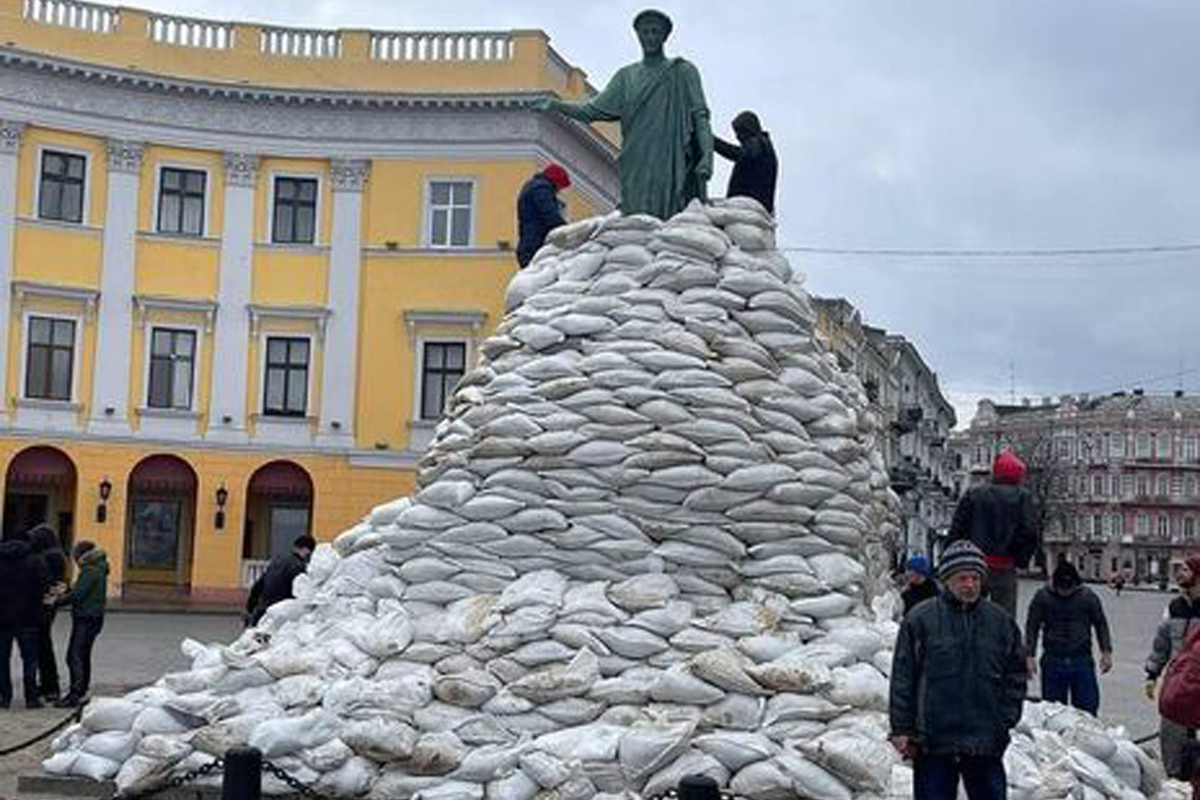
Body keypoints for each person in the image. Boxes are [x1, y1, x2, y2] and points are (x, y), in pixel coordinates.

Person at [538, 9, 712, 219]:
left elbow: (700, 116)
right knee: (637, 217)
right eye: (645, 32)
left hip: (670, 156)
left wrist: (707, 156)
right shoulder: (626, 77)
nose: (650, 37)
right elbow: (590, 111)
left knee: (670, 215)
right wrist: (556, 105)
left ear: (665, 36)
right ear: (638, 36)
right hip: (636, 157)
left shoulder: (682, 71)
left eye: (655, 32)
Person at [890, 540, 1027, 800]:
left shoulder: (999, 622)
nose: (970, 585)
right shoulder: (921, 619)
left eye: (975, 578)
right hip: (934, 739)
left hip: (985, 738)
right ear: (947, 580)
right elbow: (903, 677)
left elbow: (1016, 675)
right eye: (962, 578)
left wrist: (1006, 718)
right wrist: (901, 728)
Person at [948, 451, 1038, 617]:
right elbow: (1030, 532)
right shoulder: (1022, 497)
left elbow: (957, 529)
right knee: (1004, 617)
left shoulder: (973, 494)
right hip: (1005, 566)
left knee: (966, 612)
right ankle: (1001, 642)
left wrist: (953, 559)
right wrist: (1020, 559)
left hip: (973, 565)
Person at [1024, 561, 1113, 715]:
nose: (1065, 592)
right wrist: (1029, 656)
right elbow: (1032, 626)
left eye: (1069, 589)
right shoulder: (1042, 597)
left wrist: (1106, 651)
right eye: (1061, 589)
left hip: (1081, 659)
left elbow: (1100, 623)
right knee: (1053, 711)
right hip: (1053, 660)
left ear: (1076, 584)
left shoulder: (1088, 597)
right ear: (1054, 584)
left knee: (1087, 710)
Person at [1145, 554, 1200, 779]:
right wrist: (1152, 673)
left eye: (1185, 570)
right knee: (1171, 736)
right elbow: (1162, 643)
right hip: (1178, 683)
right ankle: (1176, 781)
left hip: (1197, 683)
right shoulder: (1174, 607)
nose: (1179, 574)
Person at [53, 541, 107, 707]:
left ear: (81, 555)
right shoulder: (99, 567)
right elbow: (81, 590)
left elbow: (78, 595)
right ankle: (82, 690)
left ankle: (75, 694)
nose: (74, 559)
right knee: (83, 655)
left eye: (75, 555)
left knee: (74, 655)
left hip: (85, 618)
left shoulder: (89, 570)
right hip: (94, 617)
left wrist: (55, 601)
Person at [0, 530, 48, 709]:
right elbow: (45, 583)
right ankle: (31, 697)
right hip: (29, 617)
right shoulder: (35, 560)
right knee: (30, 659)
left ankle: (4, 697)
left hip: (2, 618)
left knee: (2, 659)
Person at [28, 524, 67, 702]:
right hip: (48, 606)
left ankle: (49, 686)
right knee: (44, 646)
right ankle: (49, 686)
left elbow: (48, 583)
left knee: (42, 647)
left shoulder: (49, 557)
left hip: (42, 607)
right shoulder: (57, 555)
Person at [713, 111, 778, 213]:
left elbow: (737, 154)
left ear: (748, 128)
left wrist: (713, 141)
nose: (737, 137)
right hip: (752, 205)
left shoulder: (759, 143)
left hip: (748, 204)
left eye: (739, 132)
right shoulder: (764, 145)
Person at [245, 534, 317, 626]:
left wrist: (250, 608)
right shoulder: (299, 567)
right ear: (306, 550)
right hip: (280, 617)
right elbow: (300, 595)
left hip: (262, 613)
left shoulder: (276, 561)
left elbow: (257, 586)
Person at [516, 164, 570, 268]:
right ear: (556, 181)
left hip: (528, 243)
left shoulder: (533, 187)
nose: (559, 190)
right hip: (535, 244)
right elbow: (550, 214)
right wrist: (566, 234)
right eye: (560, 186)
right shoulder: (541, 189)